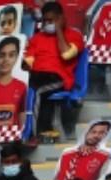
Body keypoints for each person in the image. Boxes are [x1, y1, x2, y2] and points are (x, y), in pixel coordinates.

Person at [23, 1, 84, 143]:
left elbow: (66, 54)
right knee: (22, 90)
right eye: (45, 20)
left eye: (51, 20)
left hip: (58, 78)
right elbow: (28, 62)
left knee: (37, 92)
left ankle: (32, 135)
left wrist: (59, 31)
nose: (47, 24)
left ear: (61, 18)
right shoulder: (37, 38)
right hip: (37, 75)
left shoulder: (74, 35)